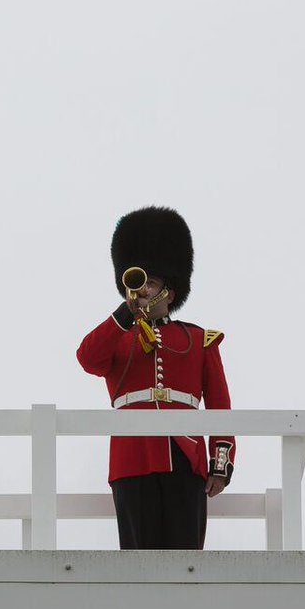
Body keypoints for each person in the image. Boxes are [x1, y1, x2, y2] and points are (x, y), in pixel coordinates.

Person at [76, 206, 236, 550]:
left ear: (170, 291)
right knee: (138, 562)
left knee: (186, 560)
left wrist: (220, 462)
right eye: (138, 280)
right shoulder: (118, 335)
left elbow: (220, 405)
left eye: (151, 281)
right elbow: (88, 358)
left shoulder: (198, 339)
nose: (143, 289)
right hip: (132, 457)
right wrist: (124, 315)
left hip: (186, 457)